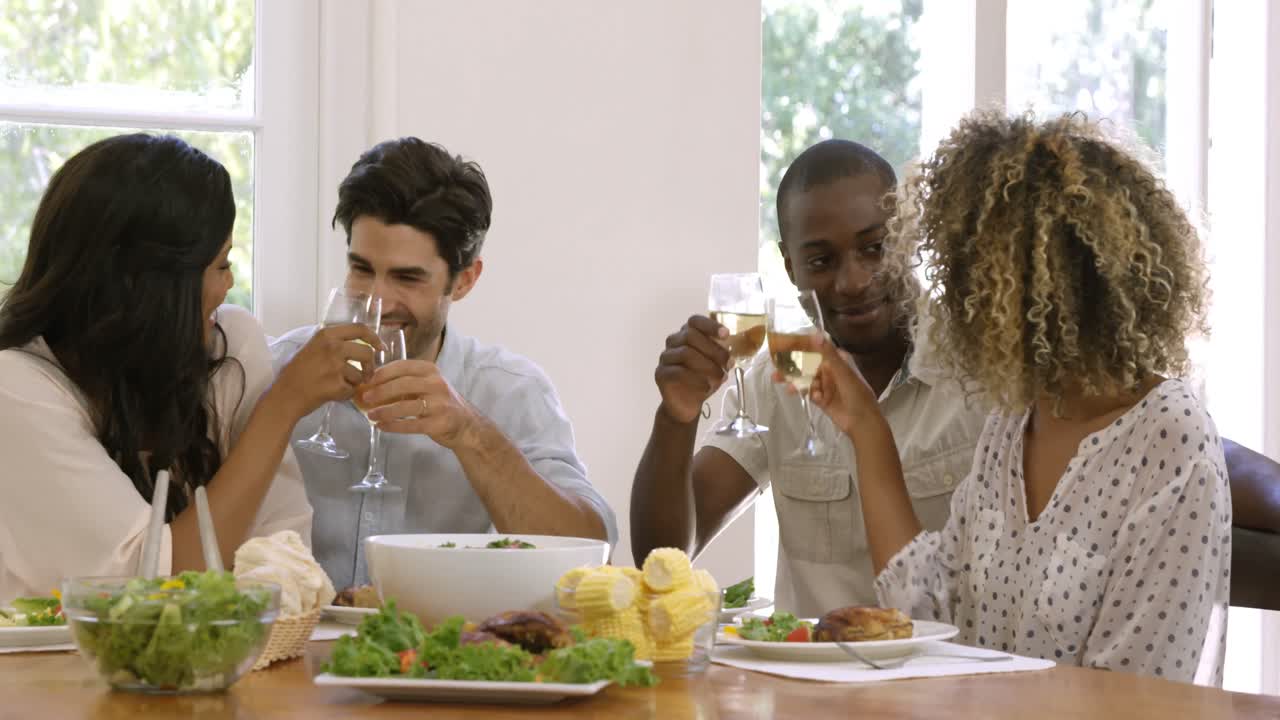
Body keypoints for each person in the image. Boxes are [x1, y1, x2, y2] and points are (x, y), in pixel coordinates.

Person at [799, 111, 1230, 685]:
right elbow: (930, 611)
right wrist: (865, 426)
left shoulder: (1170, 438)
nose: (956, 307)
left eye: (971, 282)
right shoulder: (1015, 422)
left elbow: (1135, 698)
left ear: (1051, 290)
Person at [0, 134, 377, 598]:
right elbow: (153, 589)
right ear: (154, 287)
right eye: (220, 265)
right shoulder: (18, 388)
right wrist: (282, 407)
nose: (230, 283)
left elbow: (282, 551)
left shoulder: (231, 345)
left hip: (227, 665)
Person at [630, 140, 988, 616]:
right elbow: (662, 556)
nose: (853, 280)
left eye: (875, 248)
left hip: (950, 679)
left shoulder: (982, 370)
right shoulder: (785, 369)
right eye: (821, 261)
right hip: (810, 679)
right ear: (789, 265)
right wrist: (676, 415)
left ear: (908, 236)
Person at [271, 138, 617, 589]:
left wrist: (470, 434)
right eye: (361, 268)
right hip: (294, 652)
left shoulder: (510, 390)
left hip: (442, 653)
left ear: (465, 280)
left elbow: (592, 558)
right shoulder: (279, 367)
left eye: (407, 277)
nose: (377, 299)